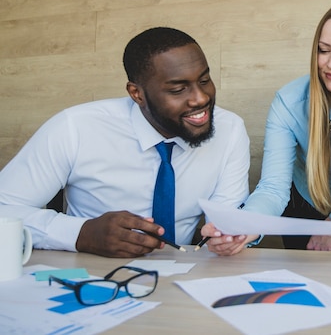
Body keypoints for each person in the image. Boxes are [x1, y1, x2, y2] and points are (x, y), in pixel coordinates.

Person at [0, 27, 250, 258]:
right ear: (137, 93)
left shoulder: (230, 130)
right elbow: (4, 209)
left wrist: (226, 235)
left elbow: (226, 217)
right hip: (88, 273)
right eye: (177, 89)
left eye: (204, 80)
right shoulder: (75, 127)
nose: (200, 98)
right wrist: (81, 233)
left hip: (181, 276)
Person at [202, 0, 331, 255]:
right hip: (302, 201)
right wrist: (242, 228)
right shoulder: (288, 102)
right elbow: (273, 187)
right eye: (324, 50)